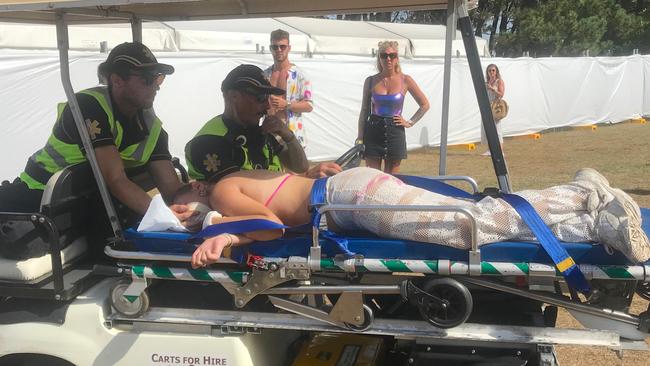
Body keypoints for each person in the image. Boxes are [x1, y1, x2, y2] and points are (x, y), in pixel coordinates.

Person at [172, 167, 650, 269]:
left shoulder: (222, 189)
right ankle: (588, 223)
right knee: (475, 217)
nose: (180, 216)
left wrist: (222, 229)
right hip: (350, 193)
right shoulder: (241, 177)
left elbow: (272, 229)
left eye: (176, 206)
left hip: (349, 200)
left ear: (196, 188)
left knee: (468, 225)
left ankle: (580, 193)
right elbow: (288, 200)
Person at [184, 64, 340, 185]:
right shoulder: (210, 140)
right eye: (260, 97)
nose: (267, 106)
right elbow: (241, 189)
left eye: (268, 97)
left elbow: (300, 166)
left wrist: (287, 135)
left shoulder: (260, 131)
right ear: (233, 97)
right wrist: (303, 179)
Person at [357, 41, 429, 174]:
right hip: (373, 130)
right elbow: (364, 111)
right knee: (372, 177)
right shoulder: (370, 81)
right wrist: (360, 137)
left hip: (395, 130)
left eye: (392, 55)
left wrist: (409, 122)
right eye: (384, 55)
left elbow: (425, 104)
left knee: (392, 179)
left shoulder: (406, 80)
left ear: (397, 58)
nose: (388, 59)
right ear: (379, 58)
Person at [263, 29, 313, 148]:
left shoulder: (300, 75)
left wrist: (287, 104)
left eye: (282, 46)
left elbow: (309, 106)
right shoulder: (265, 75)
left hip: (292, 134)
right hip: (270, 134)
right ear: (270, 48)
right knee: (269, 167)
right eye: (275, 47)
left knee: (293, 167)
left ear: (289, 48)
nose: (279, 50)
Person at [481, 63, 506, 156]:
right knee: (487, 128)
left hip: (496, 107)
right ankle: (489, 150)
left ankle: (501, 151)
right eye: (489, 70)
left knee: (497, 129)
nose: (491, 72)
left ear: (496, 72)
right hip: (487, 107)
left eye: (493, 70)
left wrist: (492, 89)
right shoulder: (486, 82)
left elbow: (501, 94)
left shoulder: (499, 81)